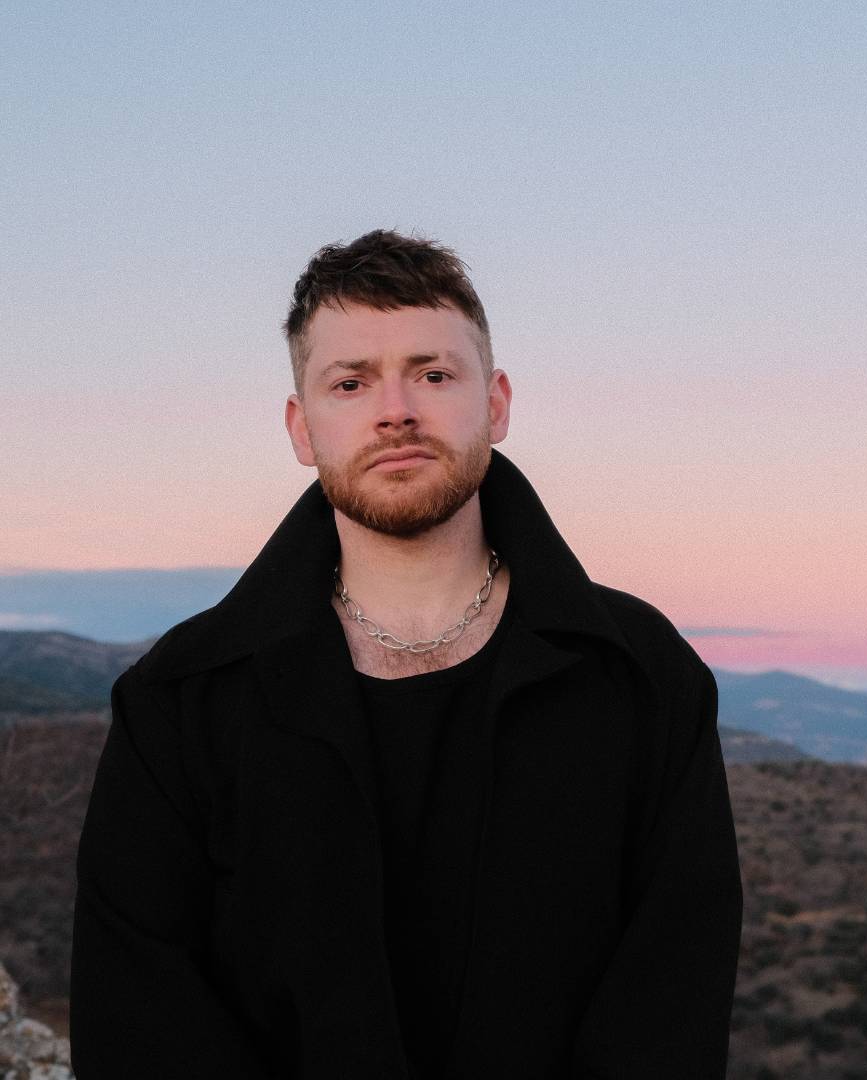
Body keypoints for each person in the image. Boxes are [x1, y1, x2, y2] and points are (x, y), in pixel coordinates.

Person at [70, 229, 742, 1078]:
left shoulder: (643, 677)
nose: (396, 411)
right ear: (301, 426)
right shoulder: (181, 700)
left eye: (433, 374)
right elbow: (140, 1022)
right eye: (350, 383)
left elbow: (668, 1014)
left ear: (495, 404)